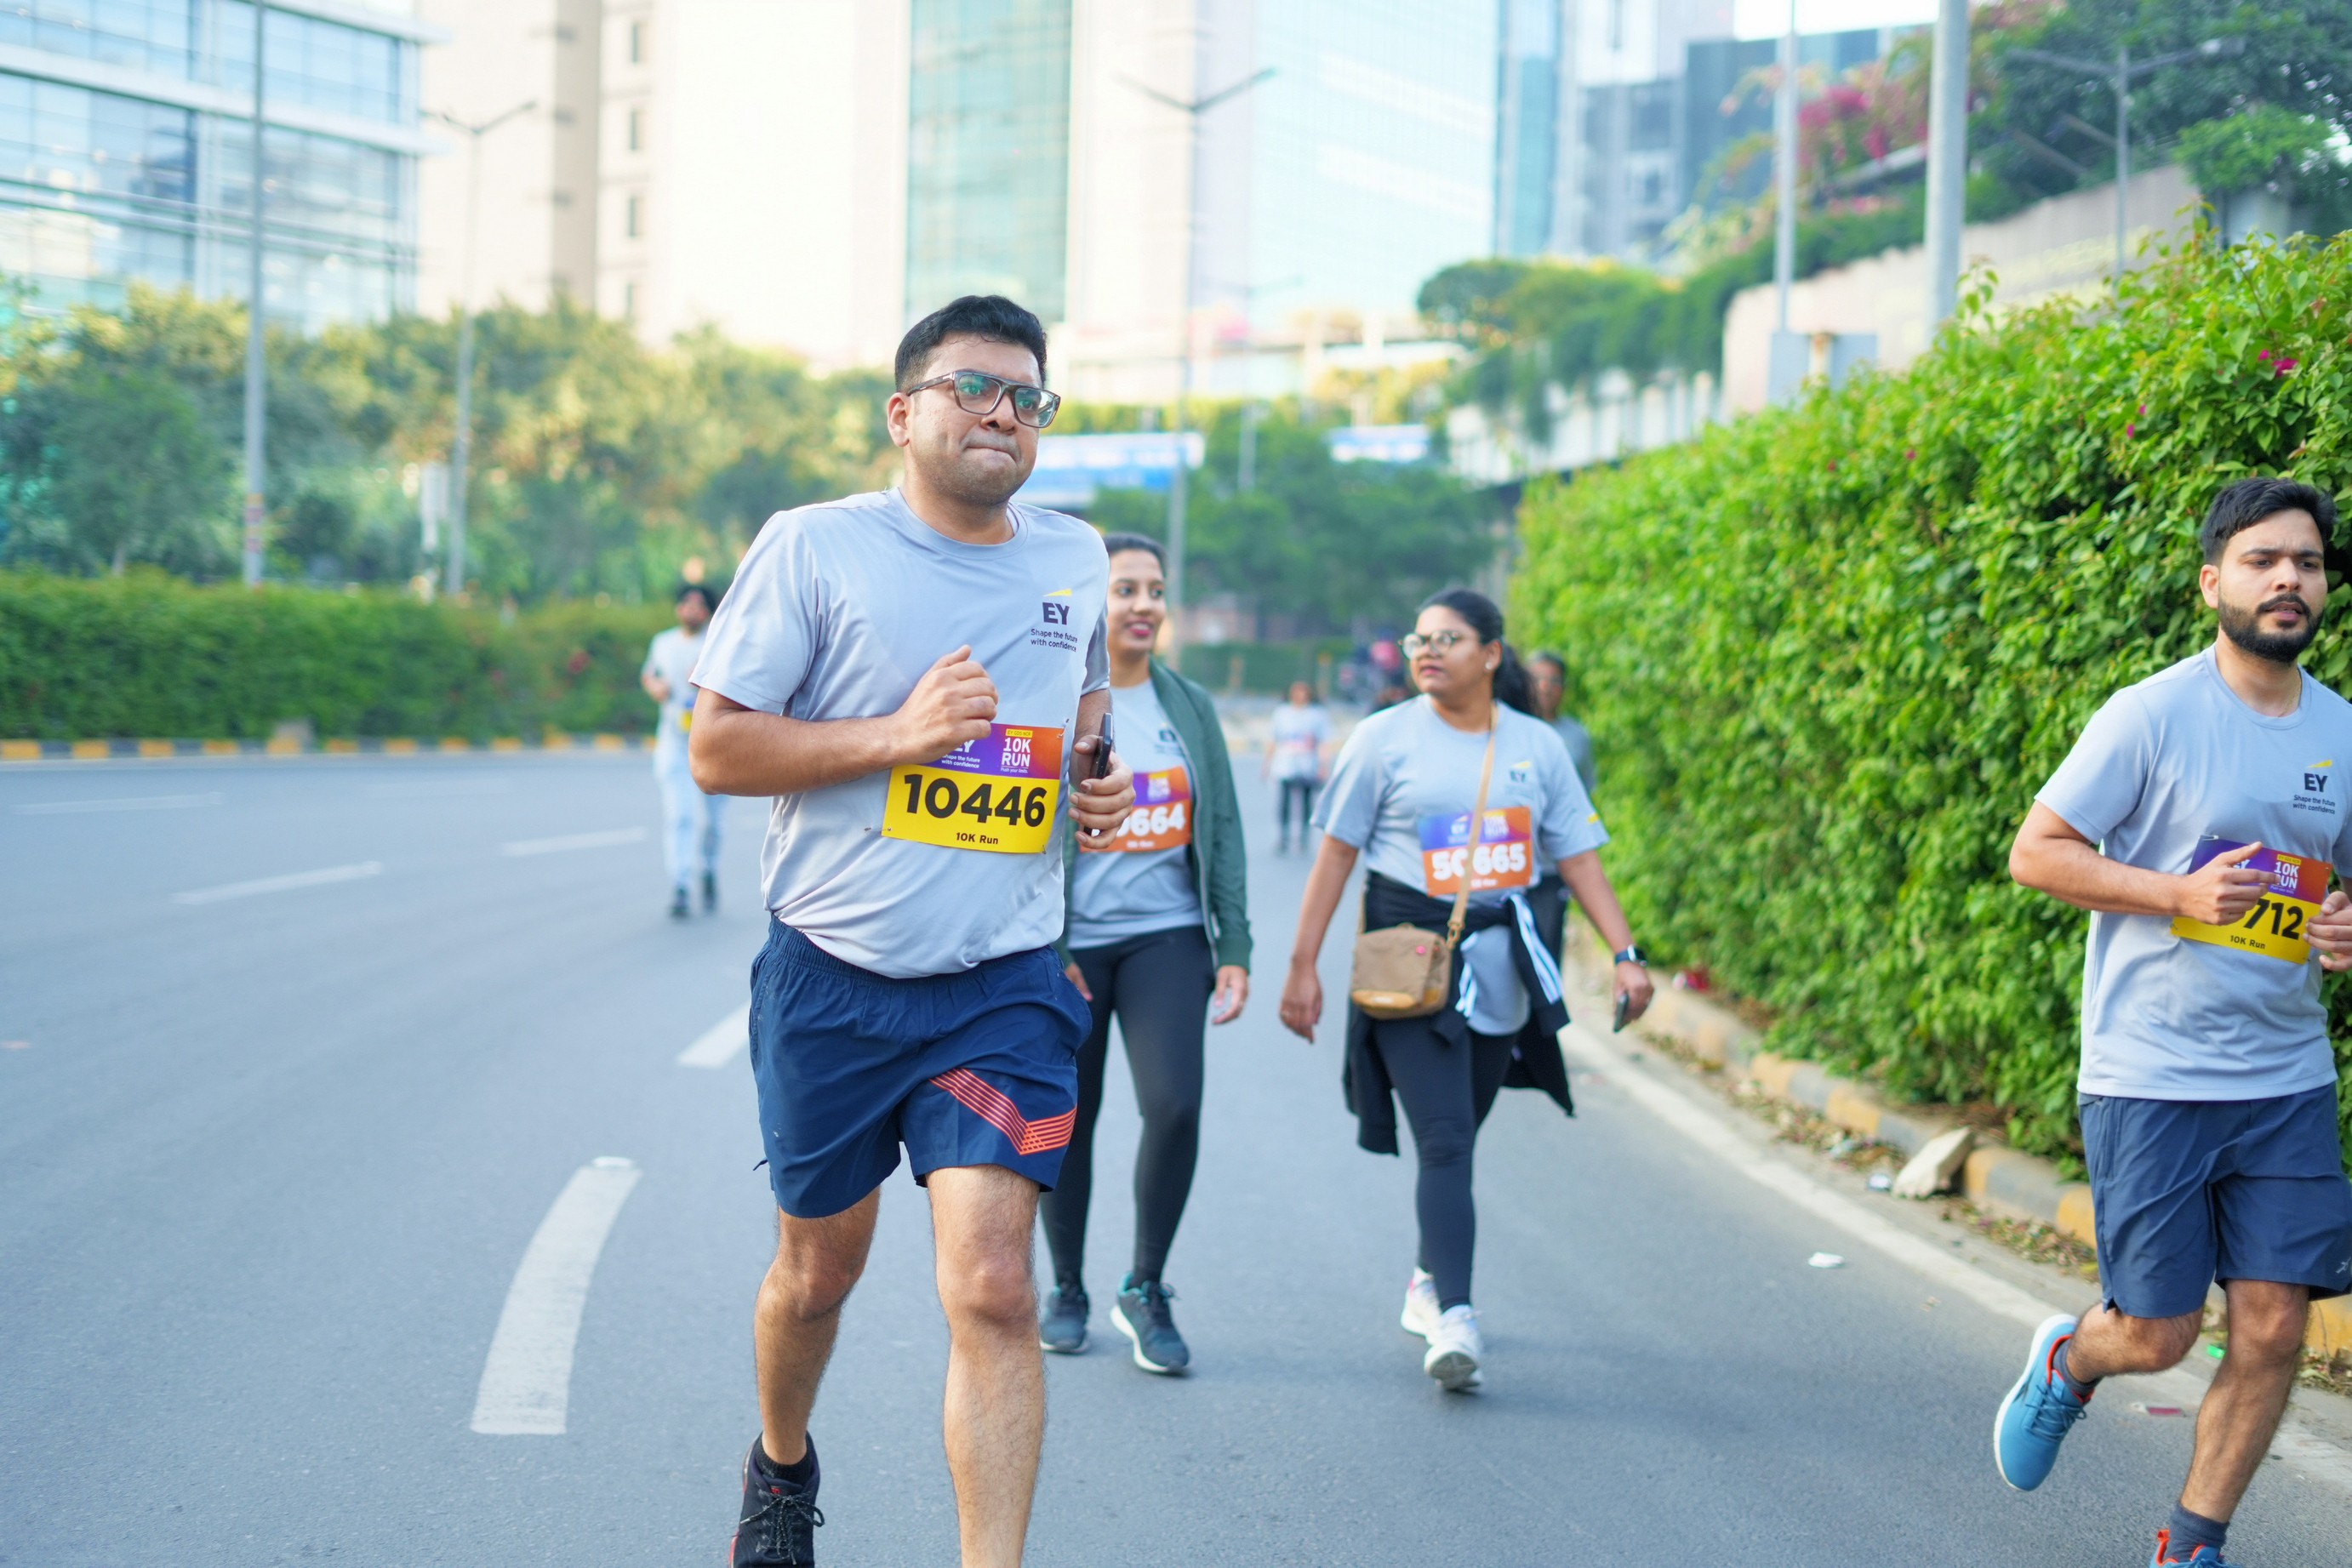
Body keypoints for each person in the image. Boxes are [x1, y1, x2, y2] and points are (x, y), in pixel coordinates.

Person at [688, 294, 1135, 1568]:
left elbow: (1082, 705)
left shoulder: (1072, 556)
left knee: (992, 1285)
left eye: (1028, 397)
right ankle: (781, 1463)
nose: (1004, 412)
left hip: (1001, 984)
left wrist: (1093, 773)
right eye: (972, 387)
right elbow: (718, 747)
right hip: (833, 976)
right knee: (815, 1277)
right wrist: (900, 733)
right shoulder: (815, 547)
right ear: (902, 413)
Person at [2002, 476, 2352, 1568]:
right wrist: (2176, 893)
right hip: (2151, 1071)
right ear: (2212, 584)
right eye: (2262, 560)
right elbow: (2036, 853)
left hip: (2286, 1077)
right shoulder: (2149, 714)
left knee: (2274, 1324)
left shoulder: (2342, 732)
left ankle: (2192, 1544)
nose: (2288, 578)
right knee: (2157, 1335)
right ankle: (2071, 1359)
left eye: (2306, 562)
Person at [1277, 587, 1654, 1392]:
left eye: (1447, 638)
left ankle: (1426, 1276)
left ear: (1490, 654)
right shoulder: (1382, 739)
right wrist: (1303, 965)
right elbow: (1337, 855)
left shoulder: (1536, 747)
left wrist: (1626, 953)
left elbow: (1578, 857)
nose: (1428, 650)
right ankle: (1455, 1313)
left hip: (1501, 967)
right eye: (1419, 638)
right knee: (1445, 1137)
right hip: (1409, 964)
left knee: (1462, 1134)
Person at [1037, 532, 1251, 1374]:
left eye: (1155, 590)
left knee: (1174, 1106)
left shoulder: (1188, 705)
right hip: (1070, 948)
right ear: (1093, 602)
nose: (1144, 605)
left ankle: (1145, 1285)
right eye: (1125, 588)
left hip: (1168, 935)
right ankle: (1066, 1287)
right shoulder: (1054, 700)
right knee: (1070, 1119)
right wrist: (1047, 943)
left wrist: (1233, 941)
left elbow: (1222, 826)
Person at [643, 582, 722, 919]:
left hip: (714, 745)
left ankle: (708, 869)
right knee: (680, 815)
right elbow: (649, 675)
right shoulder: (662, 643)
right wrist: (656, 687)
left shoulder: (718, 642)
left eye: (699, 604)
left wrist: (705, 679)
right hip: (674, 742)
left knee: (712, 822)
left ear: (707, 611)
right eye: (686, 603)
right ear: (678, 608)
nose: (692, 610)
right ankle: (680, 884)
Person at [1525, 651, 1600, 963]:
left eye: (1553, 680)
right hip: (1507, 866)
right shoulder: (1504, 729)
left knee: (1546, 950)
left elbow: (1583, 800)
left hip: (1552, 866)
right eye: (1537, 679)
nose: (1545, 687)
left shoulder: (1575, 737)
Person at [1264, 680, 1330, 853]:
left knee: (1306, 803)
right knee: (1284, 802)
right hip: (1286, 763)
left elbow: (1322, 742)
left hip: (1307, 764)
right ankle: (1283, 837)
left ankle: (1303, 837)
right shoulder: (1282, 713)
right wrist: (1267, 764)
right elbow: (1274, 739)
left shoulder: (1316, 715)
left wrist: (1323, 765)